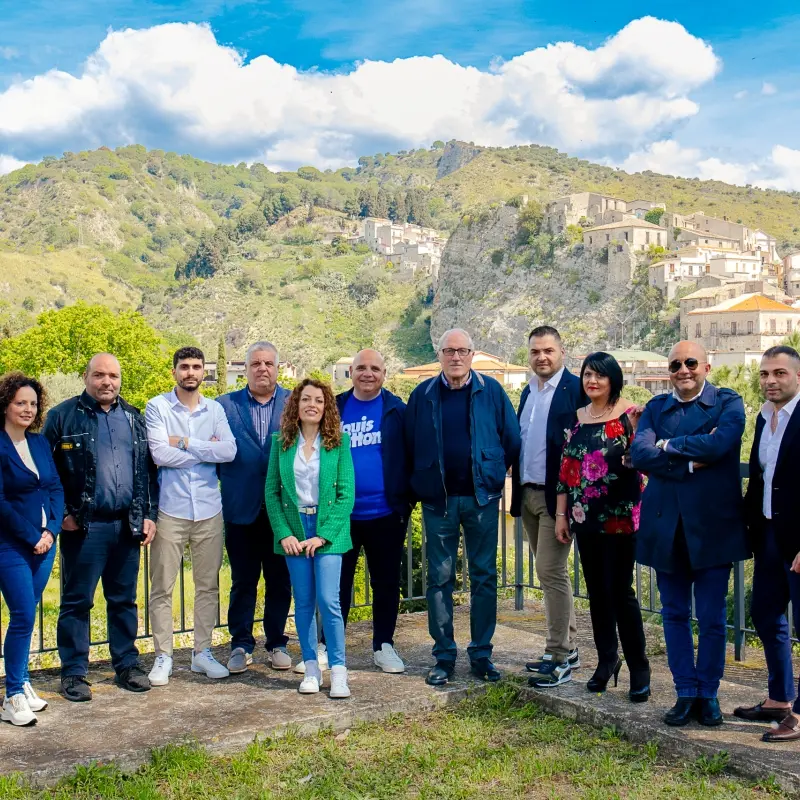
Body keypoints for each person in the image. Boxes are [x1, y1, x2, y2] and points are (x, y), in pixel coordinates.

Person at [631, 340, 749, 727]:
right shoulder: (655, 407)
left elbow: (720, 444)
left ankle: (709, 693)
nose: (684, 369)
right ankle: (685, 692)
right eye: (676, 364)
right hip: (667, 527)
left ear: (707, 367)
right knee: (674, 614)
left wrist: (669, 445)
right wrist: (689, 464)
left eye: (691, 362)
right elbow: (641, 454)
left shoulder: (727, 403)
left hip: (713, 527)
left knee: (713, 618)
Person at [405, 328, 521, 686]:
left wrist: (492, 474)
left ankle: (481, 654)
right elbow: (409, 445)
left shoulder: (492, 392)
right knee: (439, 578)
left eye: (463, 351)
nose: (456, 357)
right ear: (439, 355)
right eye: (449, 351)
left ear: (472, 355)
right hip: (438, 502)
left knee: (484, 577)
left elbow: (512, 440)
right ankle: (443, 656)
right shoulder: (422, 394)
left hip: (481, 499)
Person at [43, 353, 159, 702]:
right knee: (77, 602)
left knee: (124, 600)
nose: (107, 382)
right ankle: (74, 672)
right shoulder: (62, 417)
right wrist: (61, 511)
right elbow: (46, 471)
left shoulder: (134, 418)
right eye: (99, 375)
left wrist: (149, 514)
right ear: (86, 376)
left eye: (113, 376)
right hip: (84, 528)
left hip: (127, 525)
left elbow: (148, 473)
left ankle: (126, 665)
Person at [552, 353, 650, 700]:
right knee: (596, 593)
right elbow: (566, 474)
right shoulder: (577, 420)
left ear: (613, 379)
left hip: (621, 518)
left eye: (600, 375)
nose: (592, 381)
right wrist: (562, 516)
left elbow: (647, 462)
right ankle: (607, 661)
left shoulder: (631, 415)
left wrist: (638, 432)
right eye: (587, 374)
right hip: (584, 519)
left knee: (621, 593)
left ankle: (639, 668)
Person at [145, 346, 237, 685]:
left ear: (204, 372)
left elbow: (229, 451)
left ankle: (202, 653)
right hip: (171, 509)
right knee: (162, 587)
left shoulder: (214, 409)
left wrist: (183, 443)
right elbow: (158, 453)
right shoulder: (157, 406)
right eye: (184, 367)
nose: (190, 373)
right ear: (174, 372)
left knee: (207, 585)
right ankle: (163, 656)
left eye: (197, 367)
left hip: (210, 510)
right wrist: (204, 450)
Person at [264, 378, 355, 698]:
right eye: (306, 400)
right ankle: (311, 670)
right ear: (296, 406)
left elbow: (346, 496)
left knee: (329, 601)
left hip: (329, 529)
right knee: (303, 602)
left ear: (327, 406)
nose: (312, 404)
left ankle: (339, 672)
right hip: (294, 530)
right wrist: (284, 532)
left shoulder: (338, 443)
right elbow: (272, 493)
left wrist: (323, 536)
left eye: (318, 400)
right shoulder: (281, 443)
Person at [510, 325, 582, 686]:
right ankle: (566, 648)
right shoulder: (528, 392)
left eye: (548, 351)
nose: (542, 357)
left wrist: (566, 507)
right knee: (550, 574)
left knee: (551, 572)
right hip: (527, 495)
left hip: (558, 499)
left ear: (561, 352)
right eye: (536, 351)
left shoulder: (575, 391)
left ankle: (559, 655)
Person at [217, 341, 293, 674]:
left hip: (282, 511)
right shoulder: (224, 406)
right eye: (256, 364)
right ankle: (240, 644)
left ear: (277, 368)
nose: (263, 369)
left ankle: (277, 642)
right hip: (240, 509)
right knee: (243, 581)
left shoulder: (294, 402)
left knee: (280, 580)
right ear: (246, 369)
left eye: (268, 364)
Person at [738, 346, 800, 742]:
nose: (770, 380)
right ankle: (780, 698)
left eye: (779, 373)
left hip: (798, 541)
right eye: (764, 374)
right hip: (769, 534)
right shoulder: (764, 418)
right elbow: (763, 479)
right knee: (766, 614)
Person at [336, 349, 410, 673]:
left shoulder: (397, 410)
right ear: (351, 372)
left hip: (386, 513)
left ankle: (383, 645)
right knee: (337, 584)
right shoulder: (334, 407)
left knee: (386, 583)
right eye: (361, 368)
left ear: (384, 373)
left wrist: (407, 501)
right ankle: (329, 645)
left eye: (375, 368)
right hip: (341, 515)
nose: (368, 373)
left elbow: (413, 454)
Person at [0, 373, 63, 726]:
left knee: (29, 611)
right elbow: (1, 502)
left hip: (45, 543)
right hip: (10, 545)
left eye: (33, 404)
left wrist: (51, 530)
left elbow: (54, 487)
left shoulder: (38, 443)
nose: (27, 409)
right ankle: (11, 697)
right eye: (20, 402)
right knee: (23, 614)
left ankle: (22, 682)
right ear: (6, 405)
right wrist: (32, 535)